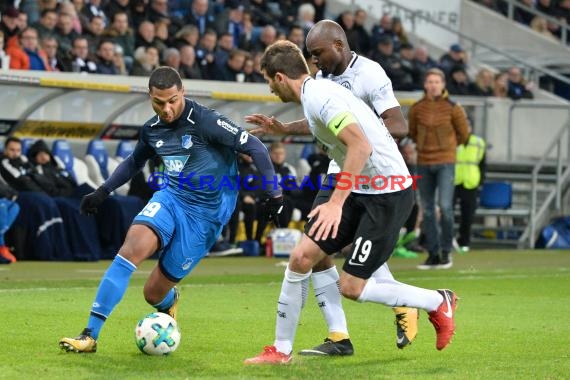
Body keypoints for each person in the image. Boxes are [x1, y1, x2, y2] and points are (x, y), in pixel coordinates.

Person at [244, 40, 458, 365]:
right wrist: (284, 128)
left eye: (268, 82)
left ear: (279, 77)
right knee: (302, 257)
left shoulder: (319, 94)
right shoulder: (316, 92)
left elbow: (360, 146)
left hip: (387, 194)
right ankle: (280, 351)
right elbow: (324, 123)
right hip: (360, 187)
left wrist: (336, 203)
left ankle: (437, 301)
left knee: (352, 287)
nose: (271, 90)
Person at [59, 66, 283, 353]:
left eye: (172, 101)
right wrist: (103, 191)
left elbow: (257, 148)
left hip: (206, 216)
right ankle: (90, 335)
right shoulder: (152, 130)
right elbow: (133, 162)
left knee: (152, 293)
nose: (166, 109)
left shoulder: (206, 121)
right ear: (150, 97)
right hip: (171, 198)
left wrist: (274, 194)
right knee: (129, 251)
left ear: (183, 93)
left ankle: (169, 300)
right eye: (158, 102)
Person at [408, 68, 470, 270]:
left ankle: (446, 252)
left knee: (445, 207)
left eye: (437, 81)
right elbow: (413, 133)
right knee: (426, 210)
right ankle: (433, 254)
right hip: (423, 162)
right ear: (425, 85)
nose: (433, 85)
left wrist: (447, 149)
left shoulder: (453, 107)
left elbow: (464, 135)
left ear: (443, 85)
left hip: (445, 162)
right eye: (430, 81)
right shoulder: (417, 108)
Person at [454, 130, 486, 253]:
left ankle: (464, 242)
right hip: (454, 181)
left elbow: (483, 164)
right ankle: (447, 239)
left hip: (471, 183)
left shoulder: (478, 142)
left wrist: (481, 182)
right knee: (446, 212)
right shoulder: (453, 140)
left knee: (467, 215)